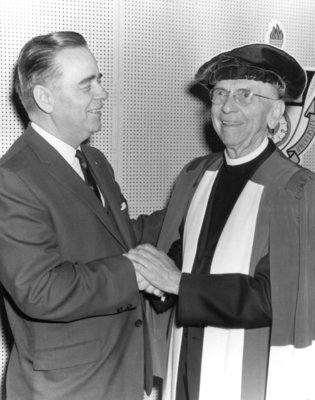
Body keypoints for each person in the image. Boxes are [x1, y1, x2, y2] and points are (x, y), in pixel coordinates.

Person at [126, 43, 315, 400]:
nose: (228, 107)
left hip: (249, 369)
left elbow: (274, 297)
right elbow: (182, 252)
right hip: (183, 360)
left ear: (276, 114)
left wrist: (178, 283)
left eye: (245, 95)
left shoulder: (296, 191)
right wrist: (158, 280)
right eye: (220, 94)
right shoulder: (196, 175)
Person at [0, 31, 165, 400]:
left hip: (119, 377)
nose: (102, 94)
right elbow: (41, 290)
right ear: (45, 98)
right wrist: (134, 272)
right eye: (86, 85)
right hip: (67, 390)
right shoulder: (12, 179)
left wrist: (192, 206)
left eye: (99, 80)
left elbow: (120, 239)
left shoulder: (92, 159)